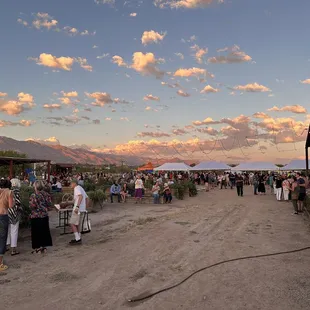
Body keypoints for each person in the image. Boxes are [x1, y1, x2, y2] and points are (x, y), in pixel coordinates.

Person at [29, 180, 53, 254]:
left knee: (37, 232)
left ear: (36, 186)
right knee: (44, 231)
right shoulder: (47, 194)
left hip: (36, 216)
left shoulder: (33, 195)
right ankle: (44, 247)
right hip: (44, 215)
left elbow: (32, 206)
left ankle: (38, 248)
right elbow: (49, 205)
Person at [69, 179, 88, 245]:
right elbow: (86, 198)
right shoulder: (81, 188)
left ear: (74, 183)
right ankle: (78, 237)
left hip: (78, 209)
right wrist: (85, 207)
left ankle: (78, 238)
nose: (70, 185)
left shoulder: (76, 188)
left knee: (72, 223)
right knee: (78, 224)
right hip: (82, 209)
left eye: (71, 183)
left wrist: (77, 206)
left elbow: (81, 196)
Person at [0, 179, 14, 271]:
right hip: (3, 217)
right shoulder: (9, 192)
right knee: (2, 239)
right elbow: (10, 206)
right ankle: (0, 263)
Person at [6, 178, 22, 256]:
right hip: (15, 214)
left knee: (8, 229)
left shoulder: (7, 191)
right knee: (14, 230)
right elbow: (18, 203)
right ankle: (13, 249)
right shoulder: (17, 192)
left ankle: (7, 245)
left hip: (7, 212)